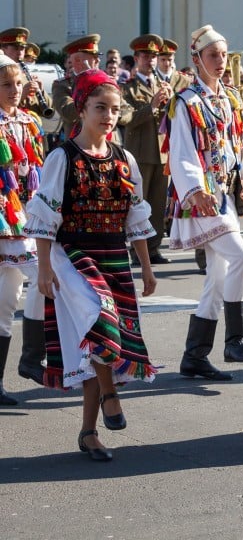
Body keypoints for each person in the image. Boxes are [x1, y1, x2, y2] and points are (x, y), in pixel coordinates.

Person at [24, 69, 158, 460]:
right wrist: (45, 269)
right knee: (101, 325)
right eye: (101, 107)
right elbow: (45, 218)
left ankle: (88, 432)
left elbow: (135, 218)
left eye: (115, 109)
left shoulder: (124, 157)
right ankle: (111, 395)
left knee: (101, 346)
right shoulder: (61, 157)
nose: (109, 116)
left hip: (114, 255)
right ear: (81, 109)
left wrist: (146, 268)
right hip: (74, 255)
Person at [164, 24, 243, 381]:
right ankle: (235, 340)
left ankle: (195, 355)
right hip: (201, 200)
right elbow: (181, 154)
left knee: (218, 275)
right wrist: (194, 190)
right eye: (212, 56)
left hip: (223, 196)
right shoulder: (186, 102)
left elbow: (242, 147)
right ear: (196, 60)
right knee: (242, 257)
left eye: (223, 55)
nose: (220, 62)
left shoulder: (230, 100)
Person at [0, 55, 46, 405]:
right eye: (6, 85)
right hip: (3, 217)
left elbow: (36, 170)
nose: (15, 90)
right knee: (4, 301)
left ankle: (32, 357)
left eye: (17, 84)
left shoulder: (29, 121)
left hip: (26, 217)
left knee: (46, 278)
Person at [121, 34, 174, 266]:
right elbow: (126, 118)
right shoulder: (127, 88)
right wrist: (152, 106)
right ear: (136, 58)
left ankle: (154, 249)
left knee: (158, 204)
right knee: (138, 204)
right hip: (140, 153)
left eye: (154, 56)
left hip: (162, 154)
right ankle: (136, 250)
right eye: (145, 56)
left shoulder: (163, 85)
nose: (150, 60)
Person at [52, 35, 103, 137]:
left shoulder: (105, 81)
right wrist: (87, 85)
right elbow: (68, 113)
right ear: (78, 60)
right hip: (79, 143)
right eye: (94, 57)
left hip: (107, 142)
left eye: (98, 57)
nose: (98, 60)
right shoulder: (62, 85)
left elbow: (121, 111)